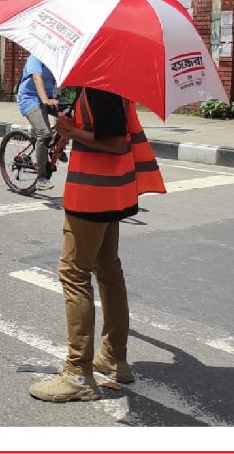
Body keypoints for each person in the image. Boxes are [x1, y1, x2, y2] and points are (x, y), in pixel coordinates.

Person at [28, 86, 166, 404]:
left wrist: (74, 131)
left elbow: (117, 143)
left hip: (92, 196)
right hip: (111, 192)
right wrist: (71, 130)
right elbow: (104, 130)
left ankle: (78, 373)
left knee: (74, 273)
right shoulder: (107, 87)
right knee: (108, 270)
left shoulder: (100, 88)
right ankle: (114, 358)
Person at [16, 50, 61, 191]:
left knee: (70, 114)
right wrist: (45, 100)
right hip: (29, 99)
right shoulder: (36, 57)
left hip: (48, 97)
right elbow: (37, 78)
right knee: (44, 133)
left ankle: (56, 147)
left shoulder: (56, 61)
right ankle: (41, 178)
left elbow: (58, 81)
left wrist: (58, 99)